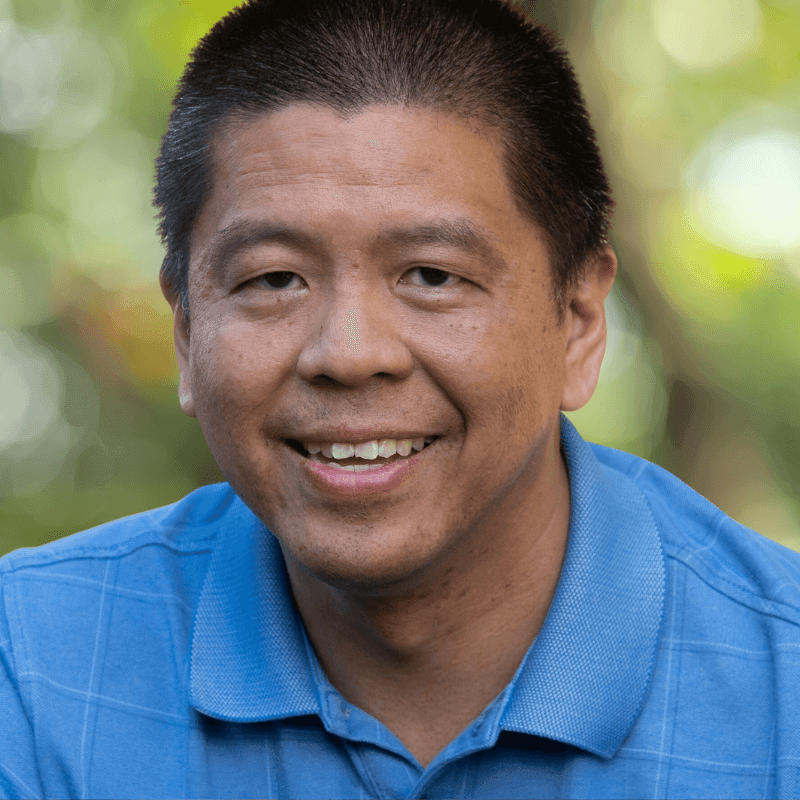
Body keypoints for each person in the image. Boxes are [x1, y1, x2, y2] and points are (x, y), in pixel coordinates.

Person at [1, 0, 799, 797]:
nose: (348, 355)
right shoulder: (33, 670)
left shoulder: (781, 690)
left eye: (433, 275)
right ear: (186, 332)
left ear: (579, 324)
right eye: (274, 278)